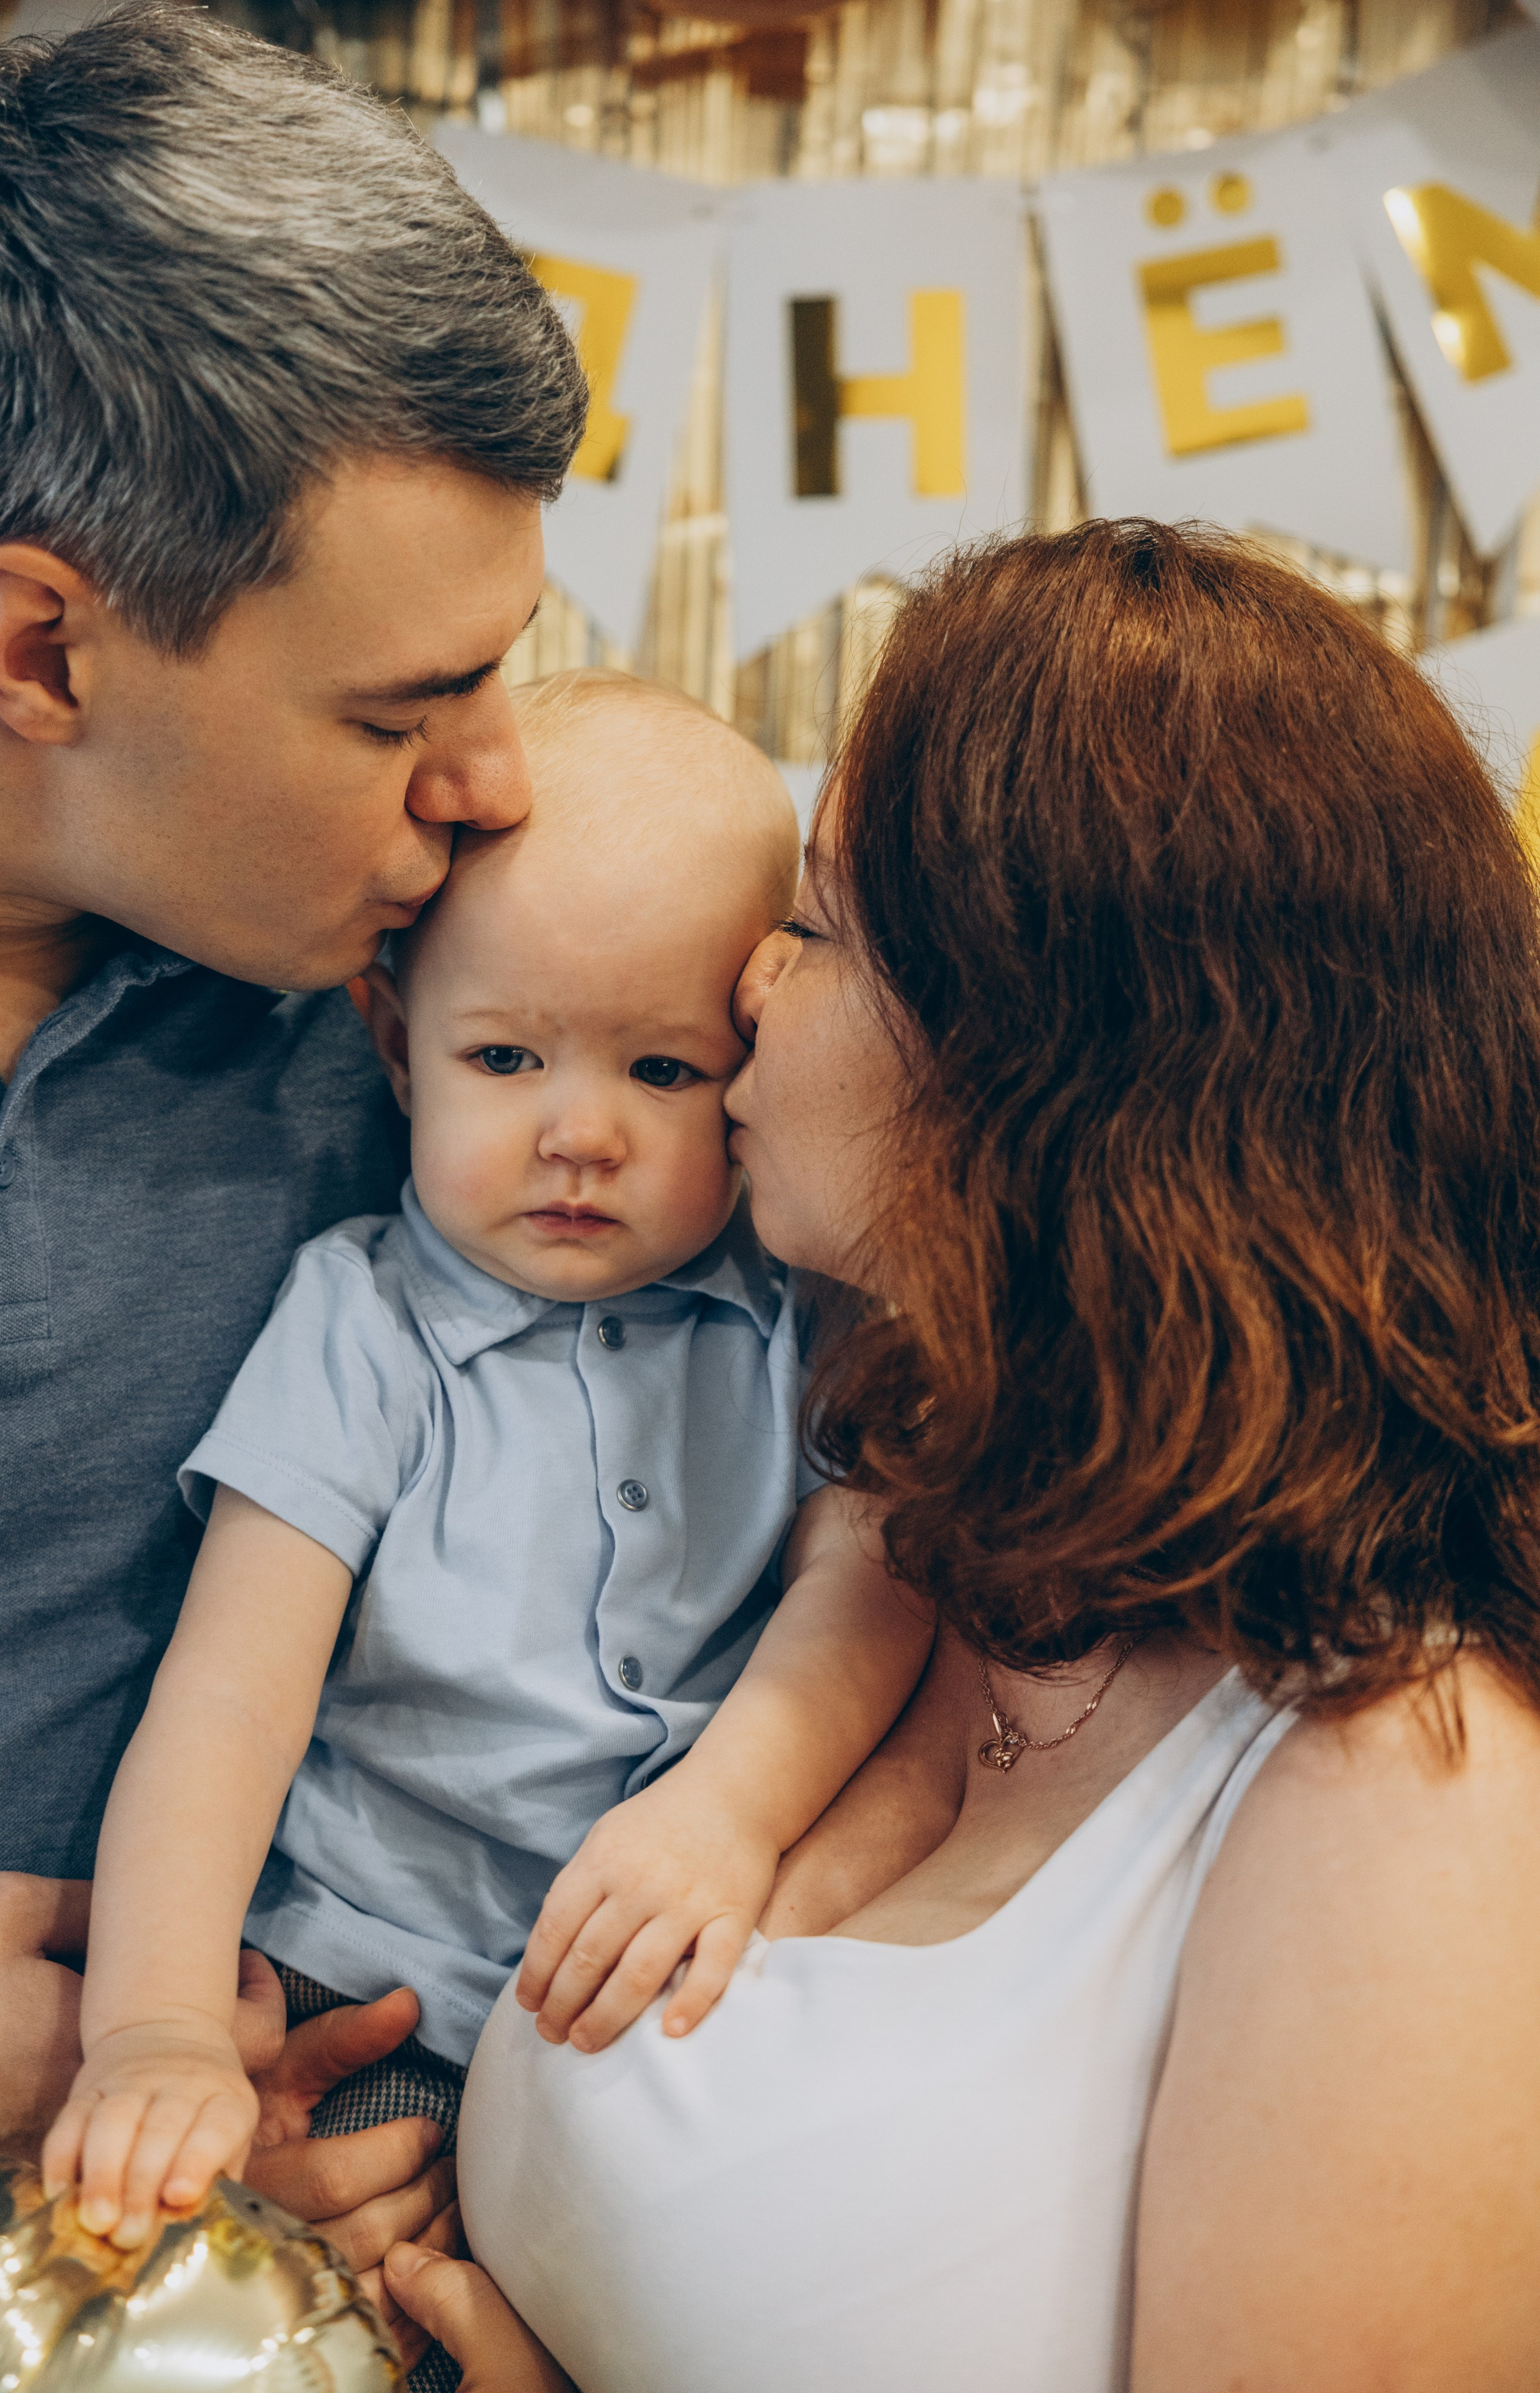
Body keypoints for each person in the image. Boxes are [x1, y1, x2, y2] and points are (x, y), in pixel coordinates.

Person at [404, 521, 1540, 2391]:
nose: (748, 983)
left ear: (1052, 1070)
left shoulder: (1403, 1794)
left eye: (828, 926)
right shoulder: (918, 1524)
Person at [0, 3, 584, 2373]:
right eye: (402, 715)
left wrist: (227, 2152)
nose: (498, 789)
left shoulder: (427, 1047)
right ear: (40, 646)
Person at [40, 672, 934, 2247]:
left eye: (662, 1071)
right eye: (506, 1061)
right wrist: (156, 2029)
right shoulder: (360, 1321)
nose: (578, 1134)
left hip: (662, 1975)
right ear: (394, 1046)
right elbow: (229, 1700)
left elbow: (865, 1580)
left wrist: (730, 1810)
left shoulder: (802, 1314)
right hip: (365, 1989)